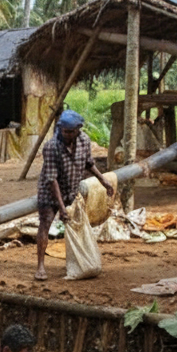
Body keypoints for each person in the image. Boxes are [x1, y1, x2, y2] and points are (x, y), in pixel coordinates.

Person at [35, 110, 115, 281]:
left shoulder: (84, 141)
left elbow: (89, 164)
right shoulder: (51, 146)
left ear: (78, 129)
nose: (67, 134)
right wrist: (62, 209)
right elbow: (51, 179)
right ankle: (40, 265)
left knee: (77, 224)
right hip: (50, 191)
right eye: (64, 131)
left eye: (71, 131)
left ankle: (80, 261)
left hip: (72, 189)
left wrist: (103, 180)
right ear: (60, 129)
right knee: (45, 223)